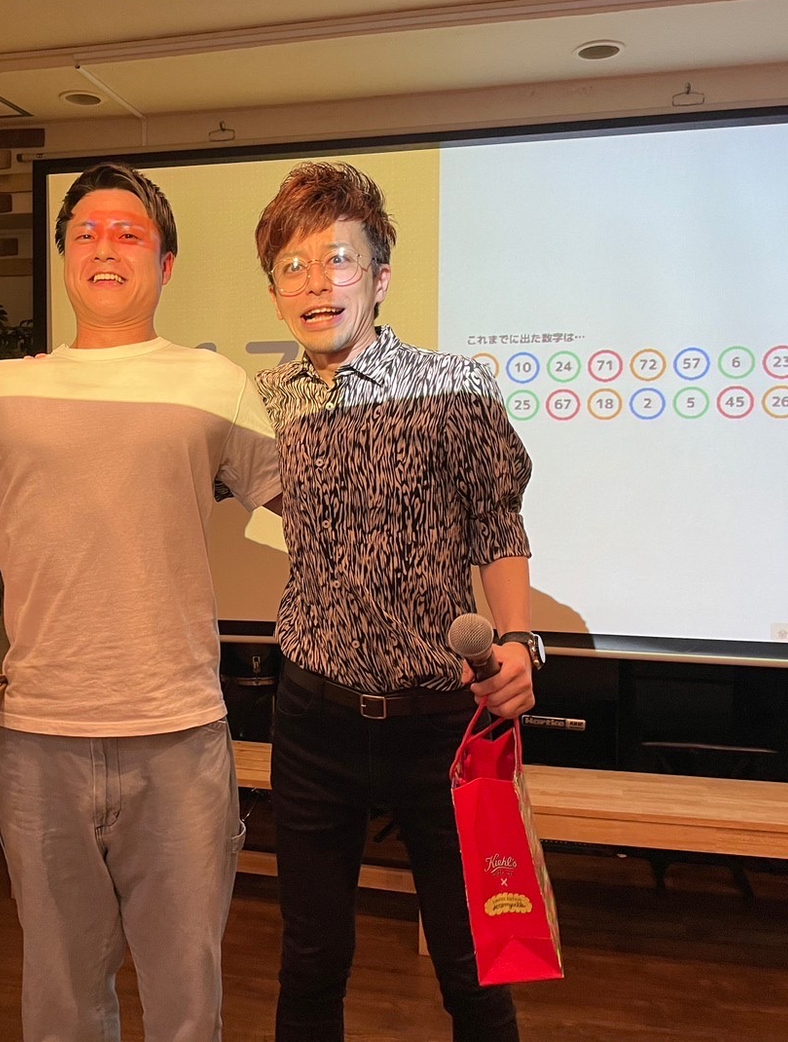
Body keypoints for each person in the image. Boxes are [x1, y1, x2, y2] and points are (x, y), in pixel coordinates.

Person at [0, 161, 281, 1041]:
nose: (105, 247)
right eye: (86, 233)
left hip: (180, 736)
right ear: (65, 258)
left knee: (188, 1004)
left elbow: (311, 516)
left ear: (166, 264)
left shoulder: (215, 382)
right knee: (61, 1003)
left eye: (129, 233)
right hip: (40, 742)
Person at [252, 161, 539, 1041]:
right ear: (275, 292)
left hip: (441, 725)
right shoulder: (261, 406)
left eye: (337, 260)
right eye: (293, 267)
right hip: (313, 722)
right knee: (310, 962)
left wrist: (520, 641)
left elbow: (497, 521)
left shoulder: (455, 387)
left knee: (473, 968)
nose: (316, 283)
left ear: (379, 277)